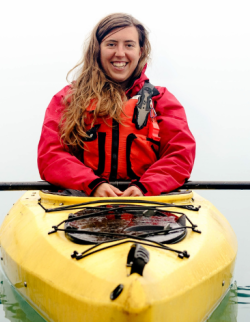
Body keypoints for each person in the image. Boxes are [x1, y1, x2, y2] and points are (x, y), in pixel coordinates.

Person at [37, 13, 195, 197]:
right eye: (111, 44)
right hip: (81, 203)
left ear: (140, 51)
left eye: (129, 45)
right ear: (97, 49)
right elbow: (51, 155)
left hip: (146, 205)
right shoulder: (68, 99)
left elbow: (180, 155)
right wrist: (92, 184)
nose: (120, 53)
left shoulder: (161, 100)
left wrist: (144, 188)